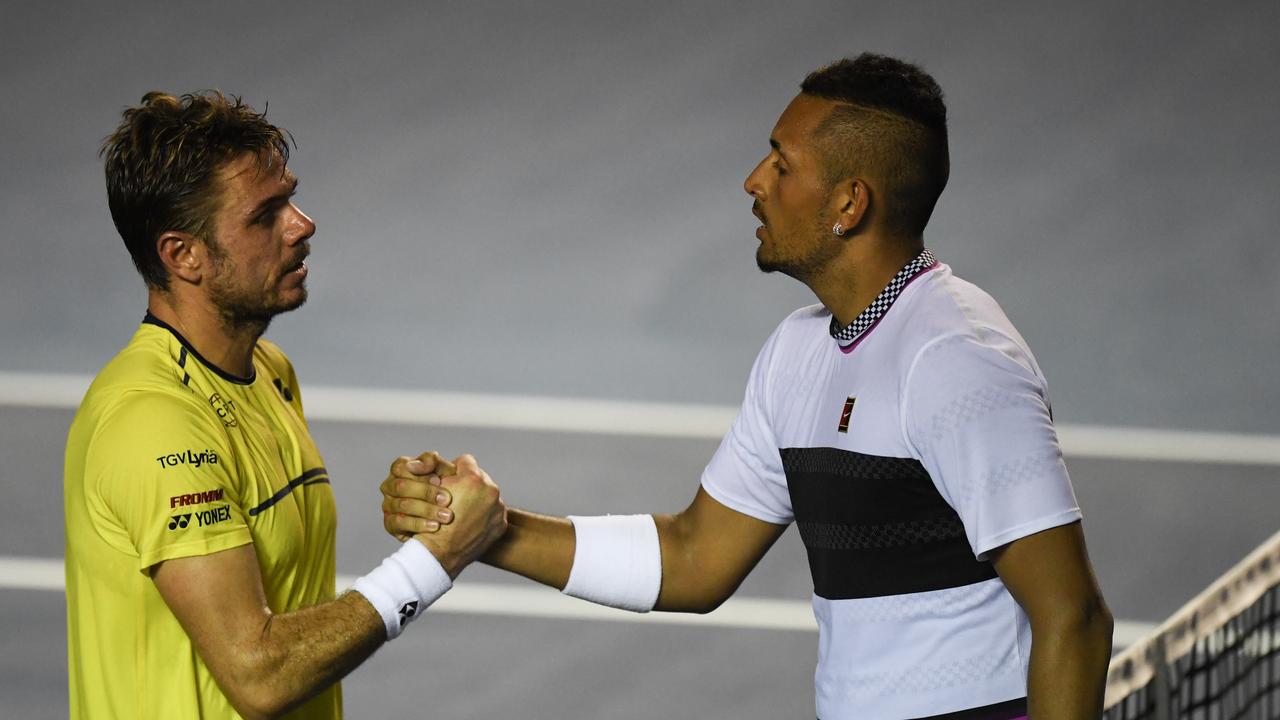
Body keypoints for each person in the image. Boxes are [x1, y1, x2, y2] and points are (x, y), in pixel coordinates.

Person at [383, 54, 1114, 719]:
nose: (755, 181)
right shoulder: (797, 352)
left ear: (848, 204)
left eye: (782, 164)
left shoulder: (958, 359)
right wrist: (486, 531)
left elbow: (1071, 618)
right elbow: (696, 557)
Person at [64, 91, 507, 719]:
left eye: (290, 199)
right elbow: (259, 675)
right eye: (264, 215)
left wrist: (429, 511)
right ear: (182, 255)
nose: (302, 225)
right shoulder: (154, 426)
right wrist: (436, 559)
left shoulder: (269, 373)